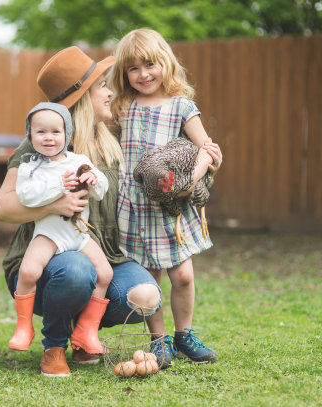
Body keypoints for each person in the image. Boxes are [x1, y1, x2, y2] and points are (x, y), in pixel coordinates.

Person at [0, 46, 163, 378]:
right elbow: (3, 208)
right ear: (84, 96)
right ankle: (53, 347)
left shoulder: (112, 139)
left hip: (103, 252)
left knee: (145, 296)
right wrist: (52, 205)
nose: (110, 92)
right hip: (48, 257)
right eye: (102, 85)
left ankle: (84, 335)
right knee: (74, 270)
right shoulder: (43, 143)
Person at [109, 28, 223, 367]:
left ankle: (184, 335)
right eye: (133, 68)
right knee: (150, 280)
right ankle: (159, 340)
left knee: (183, 275)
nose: (143, 74)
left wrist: (193, 174)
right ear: (124, 74)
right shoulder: (123, 106)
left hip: (170, 209)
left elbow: (209, 150)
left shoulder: (182, 106)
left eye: (150, 64)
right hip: (133, 208)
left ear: (165, 63)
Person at [8, 101, 113, 355]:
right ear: (30, 135)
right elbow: (26, 196)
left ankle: (86, 329)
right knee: (29, 271)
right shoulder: (30, 166)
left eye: (56, 132)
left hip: (78, 234)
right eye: (40, 132)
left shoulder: (79, 160)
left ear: (66, 134)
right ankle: (24, 327)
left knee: (105, 273)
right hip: (50, 234)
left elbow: (100, 190)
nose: (48, 138)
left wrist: (92, 179)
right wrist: (59, 185)